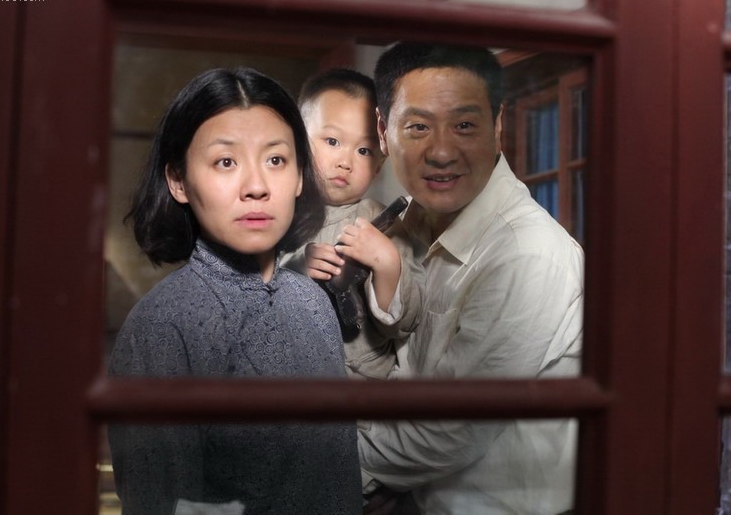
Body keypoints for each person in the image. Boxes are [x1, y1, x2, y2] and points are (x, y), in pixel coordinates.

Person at [107, 67, 361, 515]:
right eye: (226, 162)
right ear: (178, 181)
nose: (257, 187)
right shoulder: (162, 327)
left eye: (276, 160)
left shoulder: (312, 303)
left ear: (300, 177)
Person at [357, 43, 584, 514]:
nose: (442, 152)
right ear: (383, 131)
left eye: (464, 125)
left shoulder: (527, 253)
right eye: (418, 127)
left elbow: (446, 433)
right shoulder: (405, 221)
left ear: (497, 126)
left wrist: (311, 459)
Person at [281, 68, 421, 380]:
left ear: (379, 164)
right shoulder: (278, 212)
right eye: (332, 141)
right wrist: (297, 269)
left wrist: (387, 265)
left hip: (357, 380)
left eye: (364, 150)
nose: (345, 162)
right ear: (298, 142)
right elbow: (252, 294)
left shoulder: (379, 220)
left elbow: (405, 322)